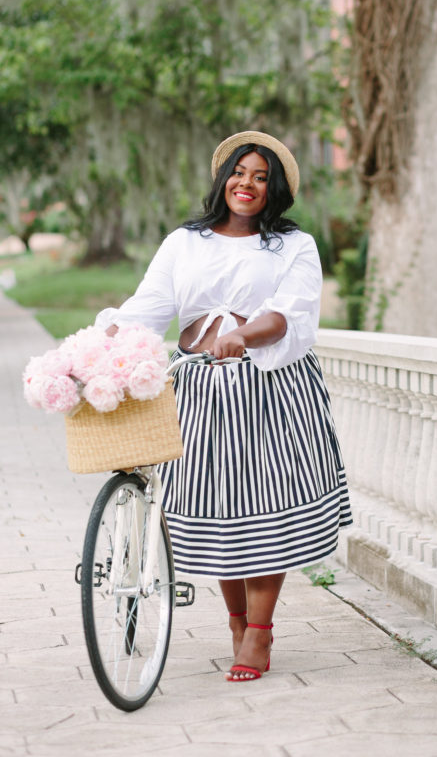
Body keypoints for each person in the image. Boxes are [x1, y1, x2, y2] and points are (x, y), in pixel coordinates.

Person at [96, 131, 353, 682]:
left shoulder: (292, 245)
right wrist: (109, 334)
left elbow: (292, 312)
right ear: (224, 178)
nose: (248, 184)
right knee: (218, 514)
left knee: (265, 513)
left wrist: (247, 333)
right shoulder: (184, 242)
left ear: (274, 189)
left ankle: (258, 635)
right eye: (241, 172)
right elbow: (152, 305)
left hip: (269, 388)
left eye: (262, 177)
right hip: (197, 389)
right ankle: (237, 622)